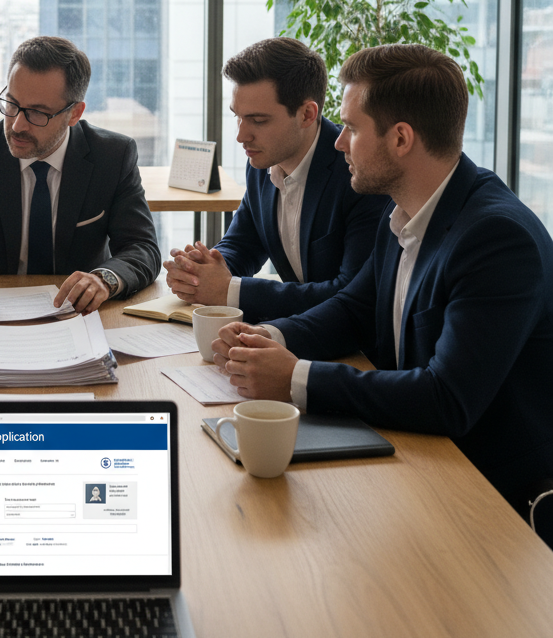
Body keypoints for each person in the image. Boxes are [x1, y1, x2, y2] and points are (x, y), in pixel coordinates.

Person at [210, 44, 553, 534]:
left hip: (492, 495)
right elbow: (353, 308)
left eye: (350, 128)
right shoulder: (403, 209)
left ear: (400, 139)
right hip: (418, 458)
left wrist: (296, 378)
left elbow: (446, 397)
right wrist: (269, 340)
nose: (337, 142)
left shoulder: (497, 239)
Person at [0, 36, 161, 312]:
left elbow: (142, 247)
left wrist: (105, 279)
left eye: (37, 113)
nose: (16, 125)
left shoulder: (112, 156)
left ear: (74, 113)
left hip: (77, 314)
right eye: (12, 104)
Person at [164, 37, 388, 323]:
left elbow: (349, 293)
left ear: (307, 114)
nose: (241, 136)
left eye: (258, 121)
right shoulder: (261, 162)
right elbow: (243, 244)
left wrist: (231, 291)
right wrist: (202, 271)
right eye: (238, 118)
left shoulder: (359, 173)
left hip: (354, 348)